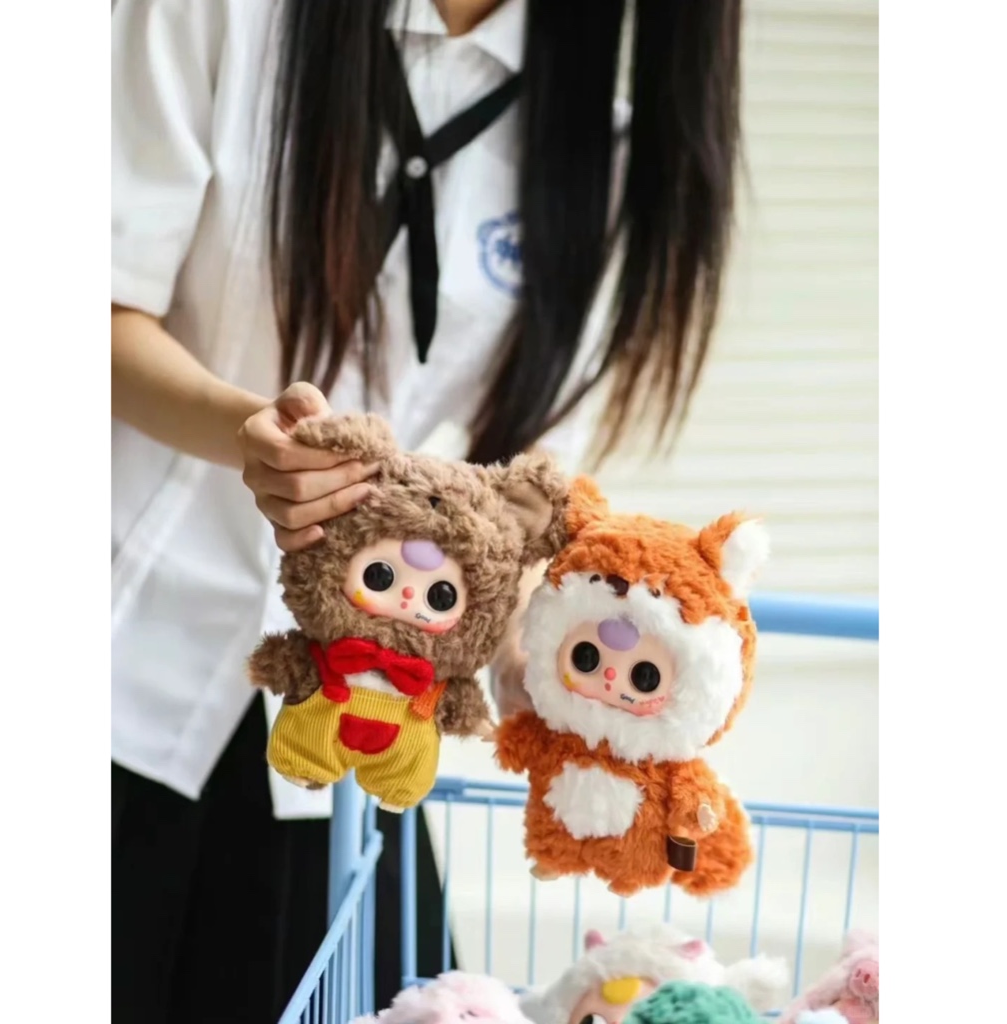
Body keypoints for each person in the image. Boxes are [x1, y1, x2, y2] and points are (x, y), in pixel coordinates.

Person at [110, 0, 743, 1021]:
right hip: (122, 650)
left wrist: (553, 670)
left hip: (354, 721)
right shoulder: (225, 18)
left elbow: (526, 495)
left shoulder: (602, 148)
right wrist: (248, 436)